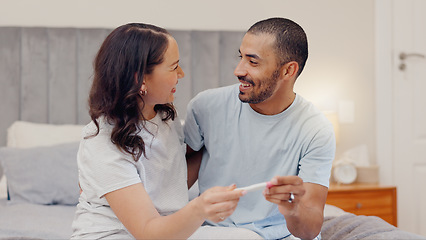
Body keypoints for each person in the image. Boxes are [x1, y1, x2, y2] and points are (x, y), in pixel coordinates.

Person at [71, 23, 249, 239]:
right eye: (174, 67)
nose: (181, 74)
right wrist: (199, 208)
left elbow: (170, 183)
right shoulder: (102, 142)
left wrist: (216, 141)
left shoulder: (163, 117)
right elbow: (147, 231)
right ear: (140, 78)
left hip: (164, 230)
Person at [184, 17, 335, 240]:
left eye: (253, 62)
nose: (238, 70)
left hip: (282, 235)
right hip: (214, 231)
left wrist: (293, 209)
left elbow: (310, 230)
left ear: (288, 71)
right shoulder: (205, 107)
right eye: (241, 57)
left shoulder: (315, 130)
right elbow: (174, 180)